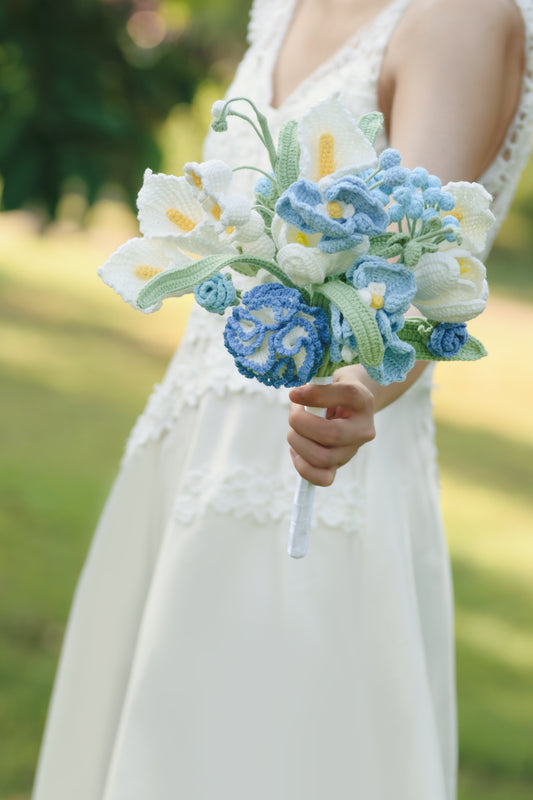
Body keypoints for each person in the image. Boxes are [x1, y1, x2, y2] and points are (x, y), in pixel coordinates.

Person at [32, 1, 533, 798]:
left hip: (316, 467)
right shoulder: (286, 5)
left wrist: (358, 393)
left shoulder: (457, 17)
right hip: (185, 446)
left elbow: (416, 282)